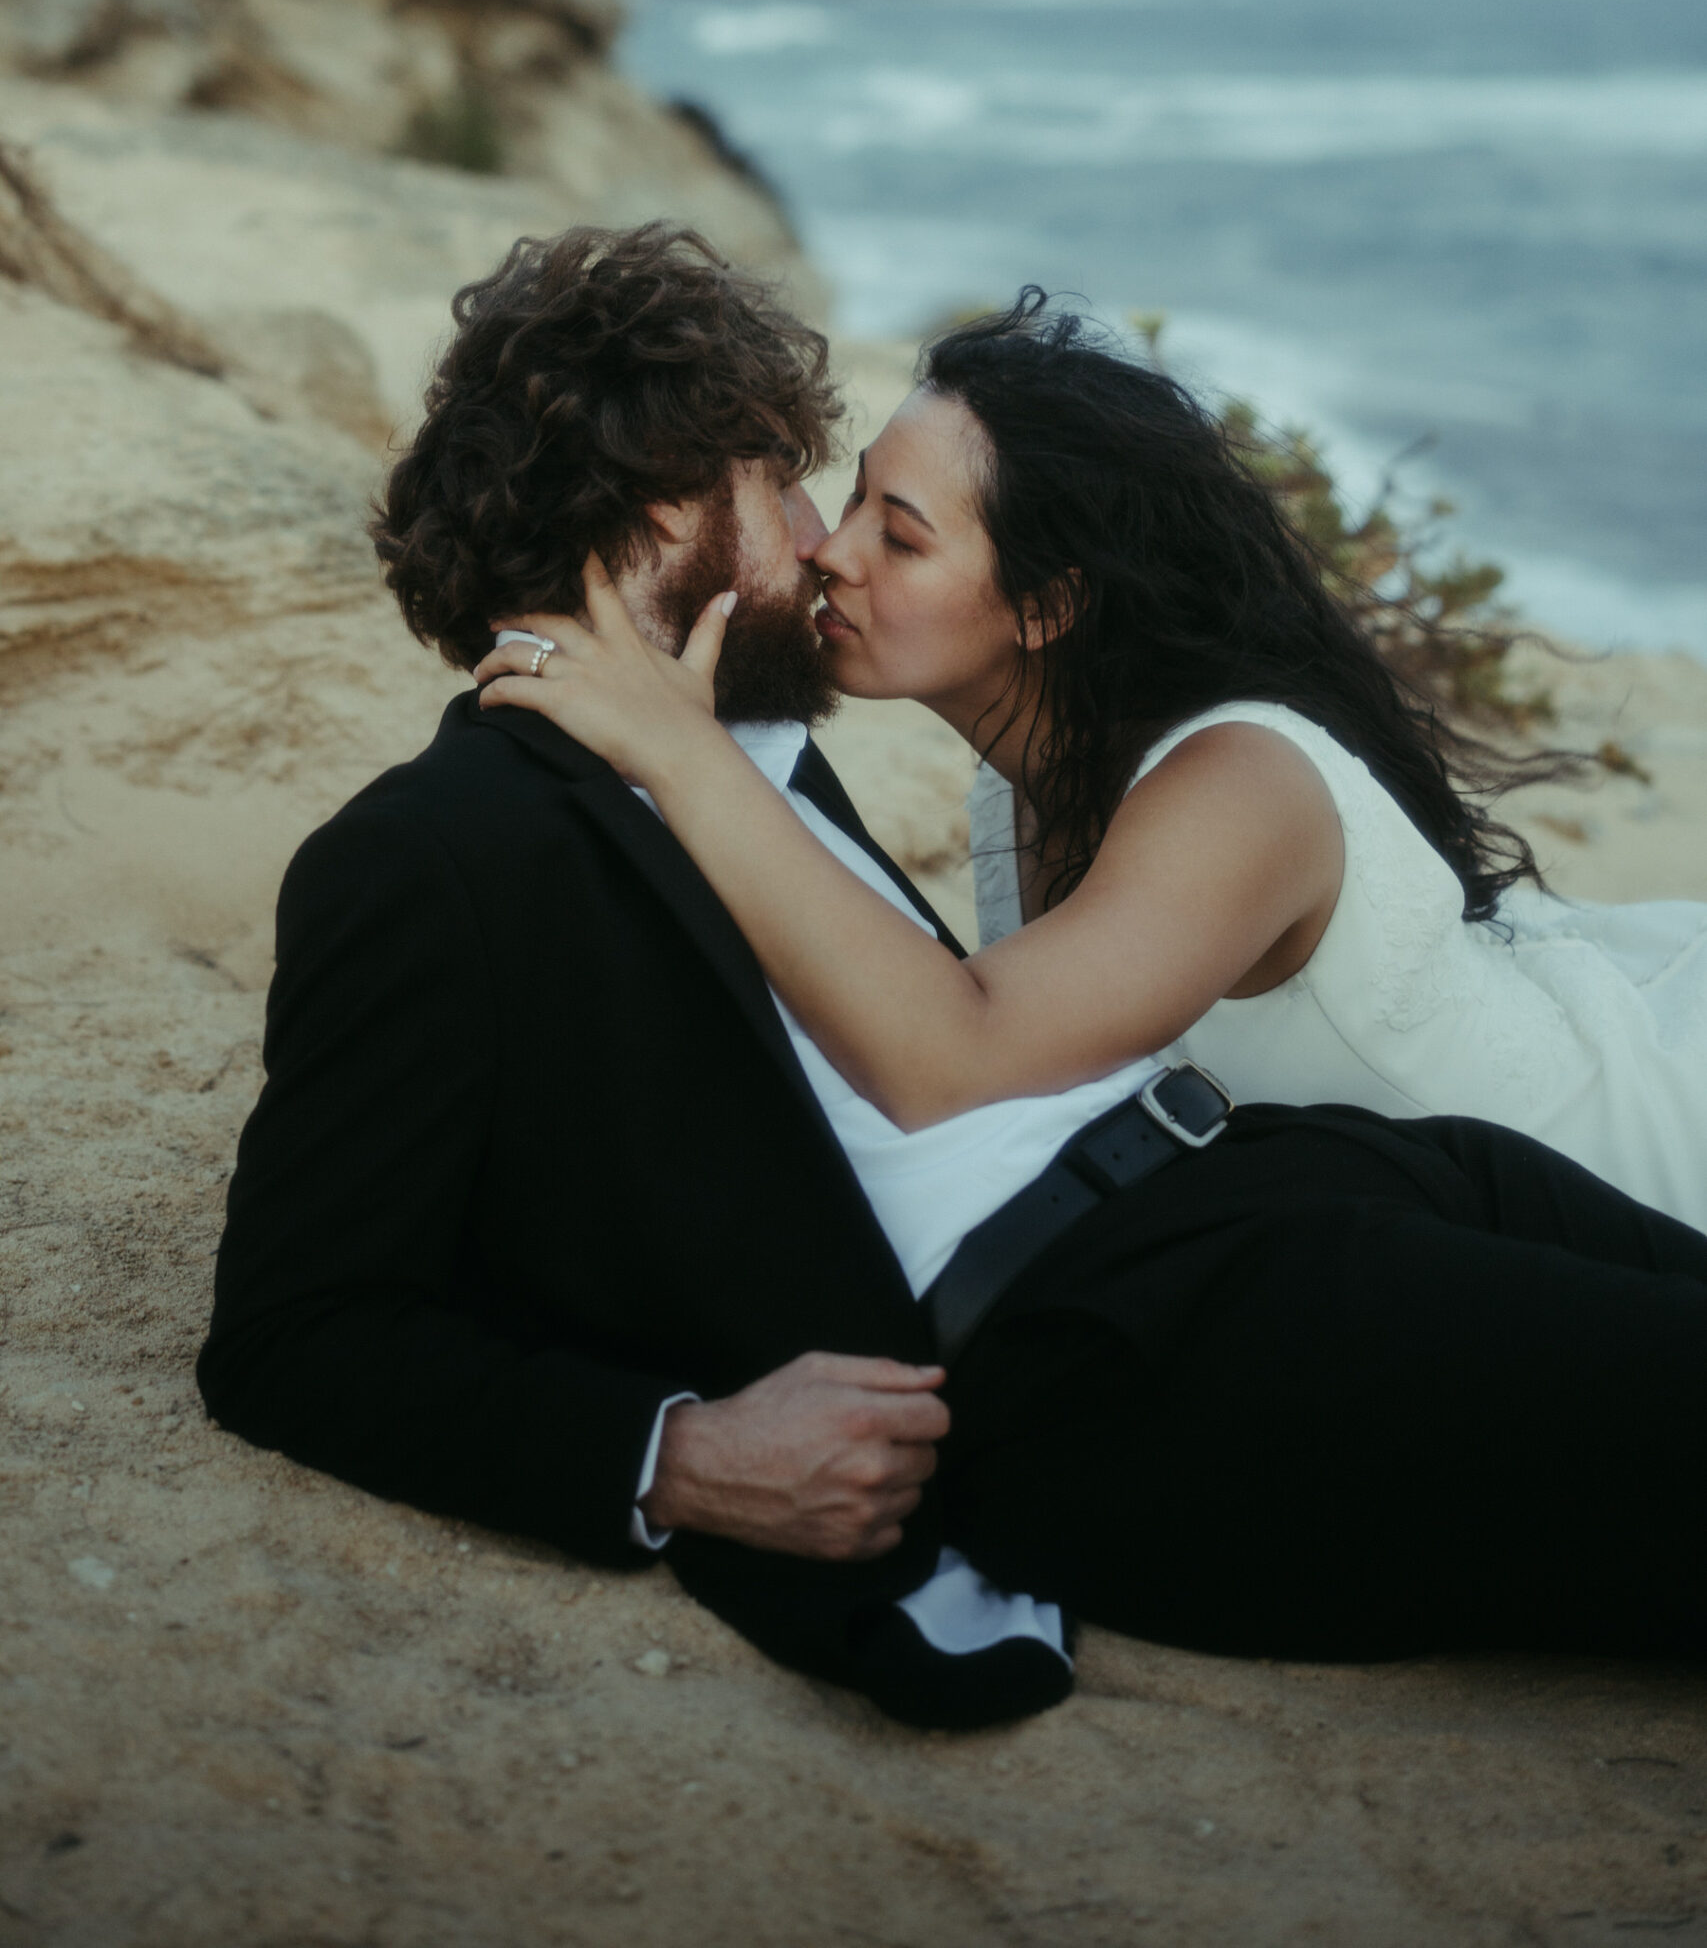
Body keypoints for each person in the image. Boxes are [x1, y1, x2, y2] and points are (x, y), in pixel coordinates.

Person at [202, 230, 1707, 1732]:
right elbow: (294, 1330)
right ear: (669, 513)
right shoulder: (437, 850)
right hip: (1131, 1343)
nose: (813, 539)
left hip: (1298, 1177)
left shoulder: (753, 755)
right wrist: (680, 1453)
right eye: (783, 485)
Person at [486, 290, 1707, 1235]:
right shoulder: (1019, 781)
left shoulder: (1238, 786)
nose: (830, 554)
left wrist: (681, 749)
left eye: (899, 539)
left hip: (1650, 1193)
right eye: (851, 502)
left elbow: (955, 1060)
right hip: (1432, 1242)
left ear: (1047, 607)